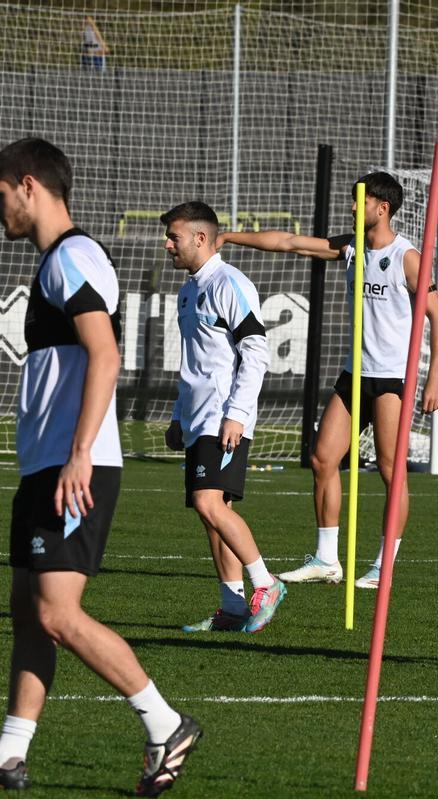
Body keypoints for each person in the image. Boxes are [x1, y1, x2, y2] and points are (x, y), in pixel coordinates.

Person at [0, 138, 201, 795]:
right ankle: (7, 755)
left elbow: (105, 354)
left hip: (75, 463)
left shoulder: (72, 257)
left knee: (57, 612)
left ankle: (165, 722)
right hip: (49, 462)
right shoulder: (57, 262)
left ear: (30, 186)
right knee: (28, 608)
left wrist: (80, 452)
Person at [218, 171, 438, 589]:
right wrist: (227, 237)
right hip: (353, 374)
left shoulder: (406, 257)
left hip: (393, 378)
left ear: (383, 207)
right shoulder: (351, 246)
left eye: (361, 200)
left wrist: (433, 379)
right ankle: (327, 559)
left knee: (392, 472)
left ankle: (384, 565)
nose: (353, 206)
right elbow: (289, 242)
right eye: (353, 200)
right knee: (323, 459)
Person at [161, 201, 286, 634]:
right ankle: (232, 609)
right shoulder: (188, 289)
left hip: (223, 418)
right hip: (198, 419)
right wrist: (179, 416)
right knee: (212, 513)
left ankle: (266, 584)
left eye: (173, 237)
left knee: (208, 502)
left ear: (200, 238)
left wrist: (236, 414)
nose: (167, 245)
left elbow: (255, 352)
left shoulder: (229, 283)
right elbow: (193, 362)